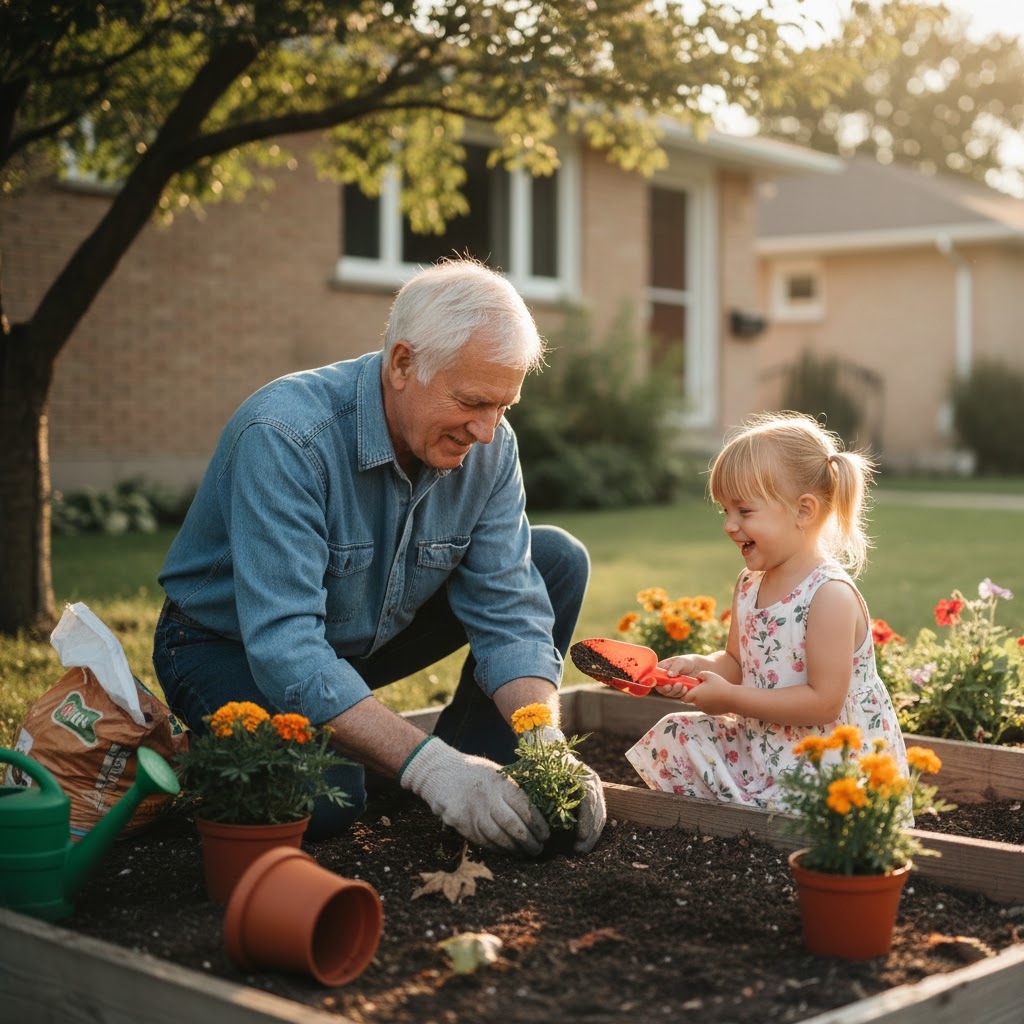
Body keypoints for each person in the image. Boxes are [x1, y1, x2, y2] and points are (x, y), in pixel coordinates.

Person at [152, 256, 606, 855]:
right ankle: (430, 772)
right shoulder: (287, 437)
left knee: (554, 562)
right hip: (225, 648)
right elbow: (288, 651)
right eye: (473, 401)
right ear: (402, 363)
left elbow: (509, 610)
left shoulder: (490, 448)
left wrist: (541, 736)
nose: (488, 431)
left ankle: (480, 775)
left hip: (355, 638)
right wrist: (431, 770)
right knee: (327, 799)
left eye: (504, 406)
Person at [626, 411, 907, 808]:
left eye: (744, 511)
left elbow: (823, 703)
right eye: (725, 511)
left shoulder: (828, 596)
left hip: (827, 757)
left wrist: (731, 701)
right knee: (676, 733)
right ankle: (744, 812)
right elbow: (736, 664)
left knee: (812, 799)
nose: (728, 524)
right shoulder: (749, 584)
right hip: (765, 741)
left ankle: (757, 813)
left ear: (803, 511)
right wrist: (699, 667)